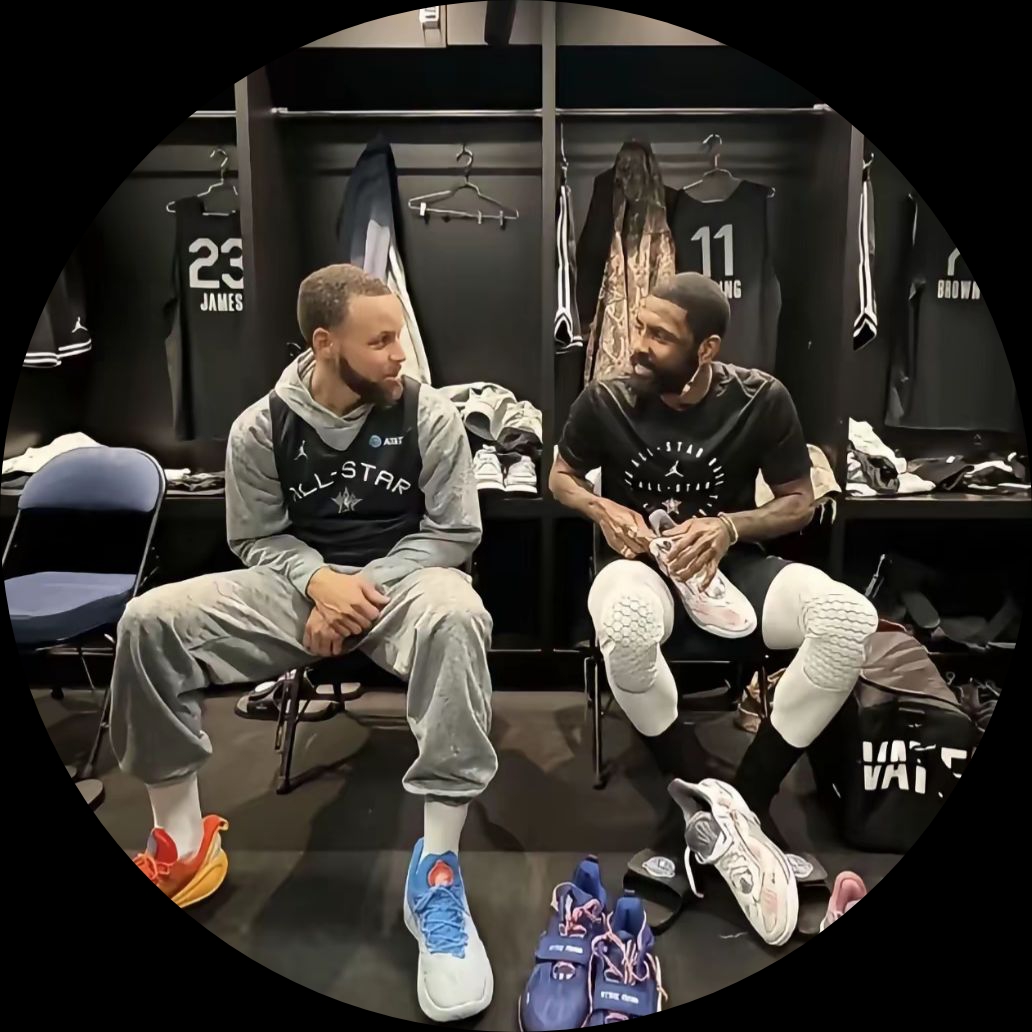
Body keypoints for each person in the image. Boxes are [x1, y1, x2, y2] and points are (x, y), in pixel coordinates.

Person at [111, 264, 496, 1022]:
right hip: (295, 588)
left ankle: (438, 871)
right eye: (380, 341)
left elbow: (455, 532)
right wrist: (319, 581)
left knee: (458, 616)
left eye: (398, 337)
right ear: (325, 343)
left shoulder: (428, 414)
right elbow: (254, 537)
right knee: (148, 621)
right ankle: (180, 843)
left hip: (402, 582)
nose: (400, 354)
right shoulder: (261, 427)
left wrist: (356, 591)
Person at [549, 272, 878, 841]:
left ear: (706, 349)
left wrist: (729, 526)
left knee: (849, 621)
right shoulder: (606, 398)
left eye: (660, 336)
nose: (639, 346)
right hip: (639, 568)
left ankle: (750, 795)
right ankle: (699, 788)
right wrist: (601, 508)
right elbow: (560, 476)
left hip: (733, 568)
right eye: (640, 327)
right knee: (625, 626)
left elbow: (800, 501)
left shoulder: (760, 399)